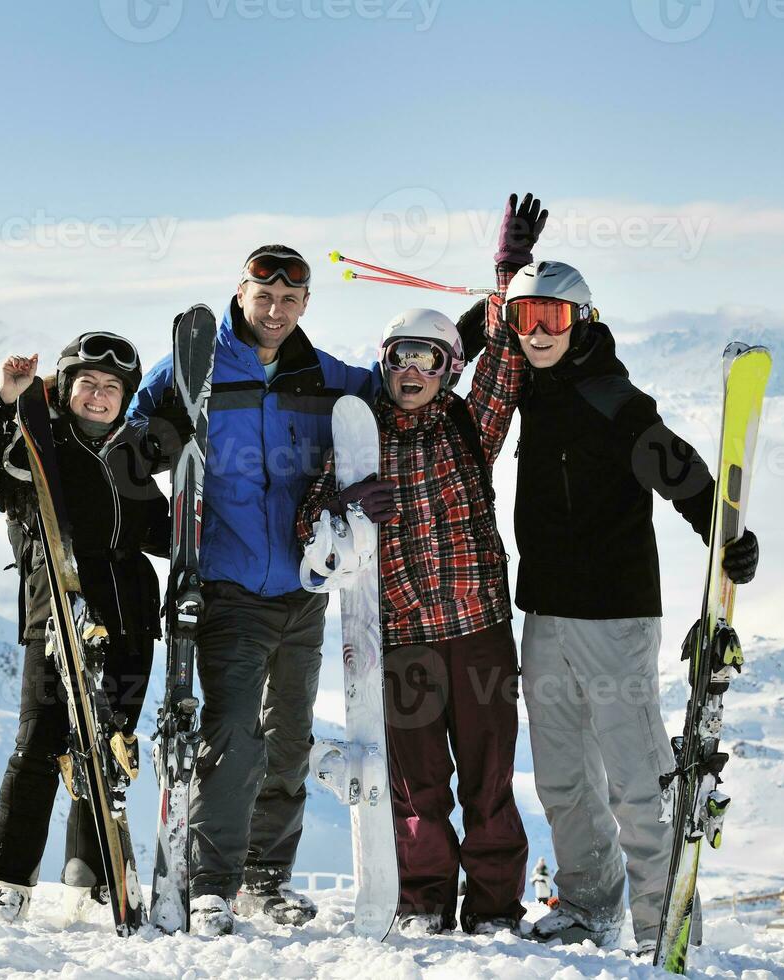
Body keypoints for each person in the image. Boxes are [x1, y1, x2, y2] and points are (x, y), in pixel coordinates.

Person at [487, 210, 760, 952]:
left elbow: (685, 475)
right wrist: (507, 266)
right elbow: (473, 338)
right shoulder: (528, 380)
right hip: (543, 612)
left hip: (614, 618)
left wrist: (726, 539)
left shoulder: (616, 401)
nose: (538, 331)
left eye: (555, 316)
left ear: (583, 320)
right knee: (561, 780)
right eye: (526, 317)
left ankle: (662, 922)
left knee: (636, 781)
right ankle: (588, 901)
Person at [127, 246, 380, 936]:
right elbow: (129, 434)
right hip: (229, 583)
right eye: (263, 296)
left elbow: (399, 384)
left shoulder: (323, 374)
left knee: (289, 736)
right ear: (240, 293)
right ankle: (212, 883)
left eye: (289, 300)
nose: (275, 310)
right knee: (233, 733)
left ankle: (265, 882)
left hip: (303, 587)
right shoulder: (200, 363)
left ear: (305, 305)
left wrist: (486, 321)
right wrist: (156, 447)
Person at [296, 294, 529, 936]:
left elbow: (505, 364)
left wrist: (505, 282)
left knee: (489, 781)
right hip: (401, 642)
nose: (412, 371)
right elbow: (309, 527)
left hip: (479, 631)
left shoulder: (467, 427)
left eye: (427, 359)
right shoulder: (357, 439)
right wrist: (343, 503)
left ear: (448, 367)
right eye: (401, 357)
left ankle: (494, 908)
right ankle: (424, 901)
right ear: (386, 363)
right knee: (417, 788)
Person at [0, 333, 174, 923]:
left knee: (110, 748)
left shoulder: (135, 449)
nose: (98, 397)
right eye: (87, 385)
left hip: (128, 615)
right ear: (67, 388)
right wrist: (3, 400)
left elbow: (153, 532)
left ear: (125, 396)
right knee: (41, 742)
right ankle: (8, 883)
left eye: (111, 388)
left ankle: (92, 881)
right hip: (59, 606)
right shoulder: (34, 440)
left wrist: (195, 526)